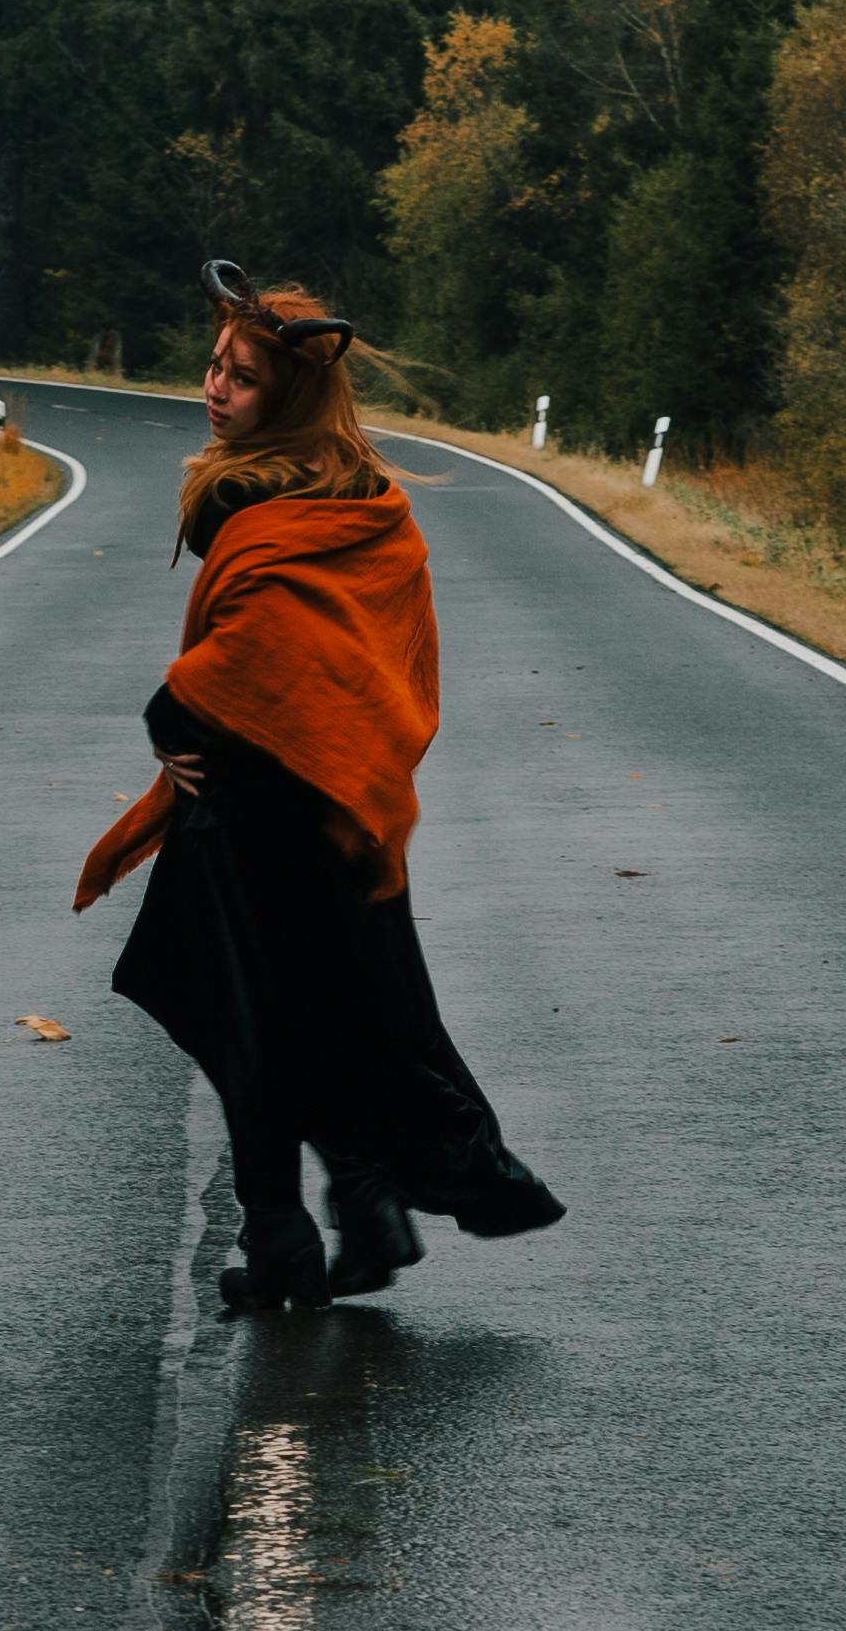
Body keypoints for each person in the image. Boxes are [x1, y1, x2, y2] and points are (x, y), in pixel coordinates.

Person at [75, 262, 565, 1308]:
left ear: (287, 398)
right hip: (327, 803)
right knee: (311, 1017)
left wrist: (173, 717)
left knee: (250, 1025)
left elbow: (262, 656)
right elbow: (340, 656)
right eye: (212, 367)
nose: (214, 388)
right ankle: (357, 1208)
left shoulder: (278, 503)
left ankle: (303, 1232)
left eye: (240, 379)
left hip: (261, 815)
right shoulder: (351, 499)